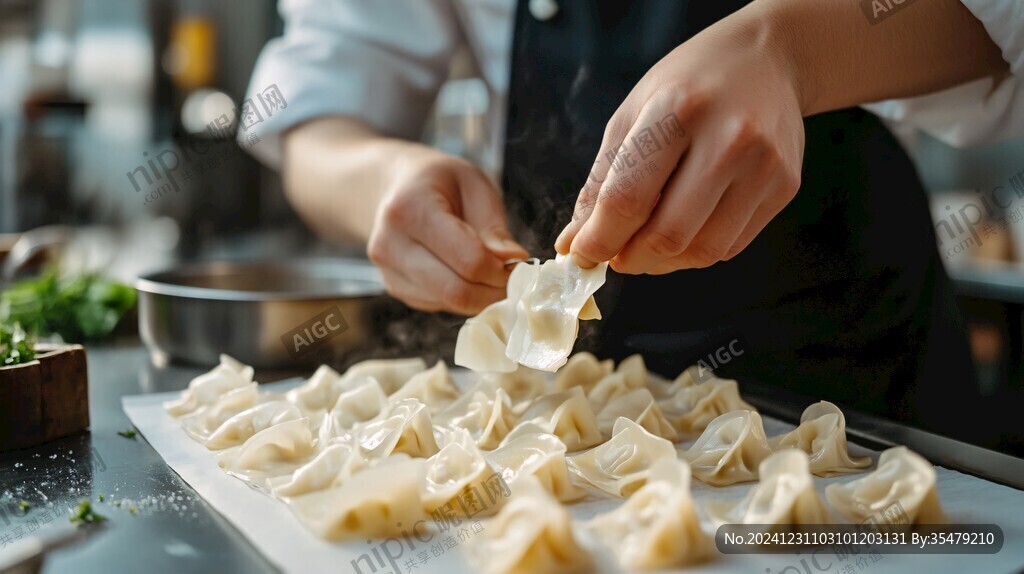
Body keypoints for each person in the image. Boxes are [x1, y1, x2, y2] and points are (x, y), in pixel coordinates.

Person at [240, 0, 1024, 443]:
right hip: (595, 400)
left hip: (861, 369)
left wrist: (791, 50)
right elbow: (319, 108)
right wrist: (383, 182)